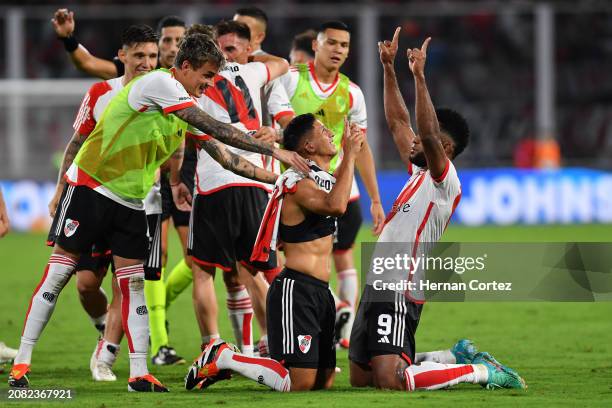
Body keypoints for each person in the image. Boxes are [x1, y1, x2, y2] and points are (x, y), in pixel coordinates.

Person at [9, 32, 307, 392]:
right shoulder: (159, 84)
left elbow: (226, 157)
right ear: (185, 67)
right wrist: (279, 152)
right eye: (207, 76)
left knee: (133, 284)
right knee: (60, 275)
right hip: (91, 187)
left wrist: (277, 179)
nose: (211, 85)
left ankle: (138, 374)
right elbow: (218, 128)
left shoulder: (182, 101)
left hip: (132, 200)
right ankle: (21, 364)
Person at [348, 29, 525, 391]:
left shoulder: (446, 182)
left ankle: (483, 373)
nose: (411, 140)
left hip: (400, 284)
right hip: (377, 280)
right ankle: (452, 356)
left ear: (442, 147)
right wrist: (388, 68)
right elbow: (398, 122)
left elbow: (426, 135)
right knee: (362, 378)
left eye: (424, 140)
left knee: (390, 380)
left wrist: (420, 77)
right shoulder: (418, 171)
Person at [51, 9, 193, 366]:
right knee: (84, 282)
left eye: (178, 42)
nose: (170, 49)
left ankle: (126, 350)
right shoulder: (112, 87)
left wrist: (175, 178)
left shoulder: (182, 91)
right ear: (128, 55)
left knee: (143, 275)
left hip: (147, 196)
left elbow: (180, 142)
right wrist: (69, 38)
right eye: (167, 41)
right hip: (98, 195)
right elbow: (86, 66)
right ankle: (107, 329)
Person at [185, 113, 364, 392]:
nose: (330, 132)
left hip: (320, 291)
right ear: (308, 146)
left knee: (324, 381)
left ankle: (237, 357)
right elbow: (337, 206)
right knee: (299, 383)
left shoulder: (319, 178)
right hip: (297, 291)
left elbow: (336, 188)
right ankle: (225, 357)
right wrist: (350, 155)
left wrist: (347, 153)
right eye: (321, 130)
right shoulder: (298, 183)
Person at [181, 20, 289, 356]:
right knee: (257, 268)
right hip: (258, 181)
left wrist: (175, 179)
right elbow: (284, 64)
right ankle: (282, 341)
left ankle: (211, 345)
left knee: (202, 270)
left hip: (215, 180)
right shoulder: (254, 72)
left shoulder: (188, 82)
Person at [278, 20, 386, 347]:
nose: (338, 50)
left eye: (345, 45)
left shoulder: (352, 94)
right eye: (333, 43)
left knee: (336, 257)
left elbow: (360, 147)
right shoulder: (290, 79)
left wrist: (376, 199)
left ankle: (343, 322)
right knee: (286, 259)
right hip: (294, 188)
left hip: (338, 190)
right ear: (317, 45)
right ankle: (306, 323)